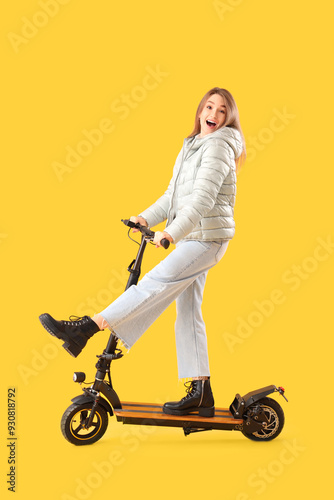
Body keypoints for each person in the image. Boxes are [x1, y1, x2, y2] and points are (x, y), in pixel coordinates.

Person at [39, 87, 246, 417]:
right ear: (199, 111)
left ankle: (88, 327)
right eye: (209, 107)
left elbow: (202, 200)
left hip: (206, 239)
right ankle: (201, 391)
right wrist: (145, 218)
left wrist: (170, 234)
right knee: (189, 312)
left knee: (155, 281)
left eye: (222, 111)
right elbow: (172, 197)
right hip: (196, 235)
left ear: (228, 118)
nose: (214, 114)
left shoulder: (219, 146)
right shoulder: (192, 145)